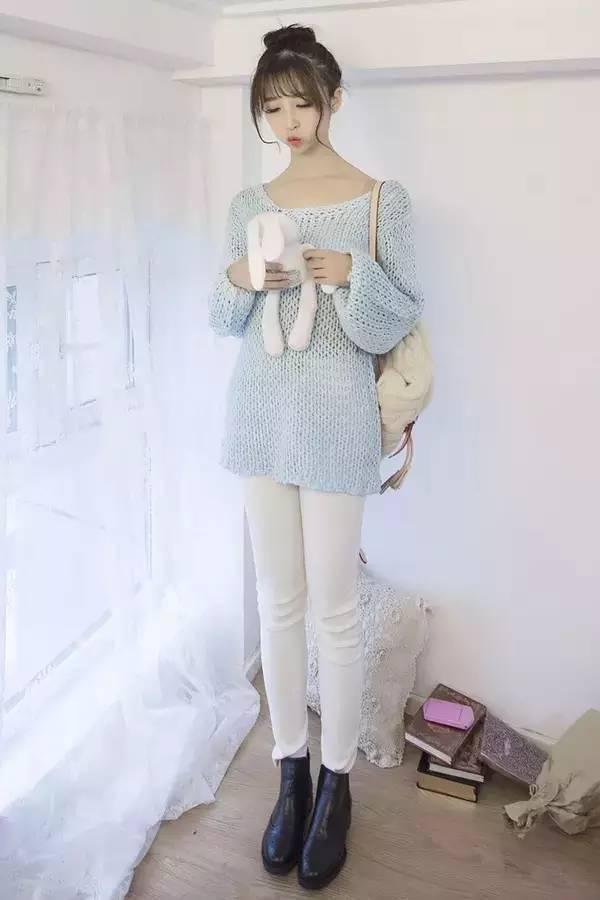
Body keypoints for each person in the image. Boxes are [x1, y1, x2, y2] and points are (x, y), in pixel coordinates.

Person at [208, 23, 424, 891]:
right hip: (261, 418)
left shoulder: (381, 201)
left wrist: (349, 275)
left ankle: (337, 784)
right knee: (277, 602)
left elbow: (397, 318)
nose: (289, 121)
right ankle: (289, 773)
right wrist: (237, 279)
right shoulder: (249, 205)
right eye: (273, 108)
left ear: (333, 99)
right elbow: (223, 322)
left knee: (334, 610)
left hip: (337, 426)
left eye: (301, 103)